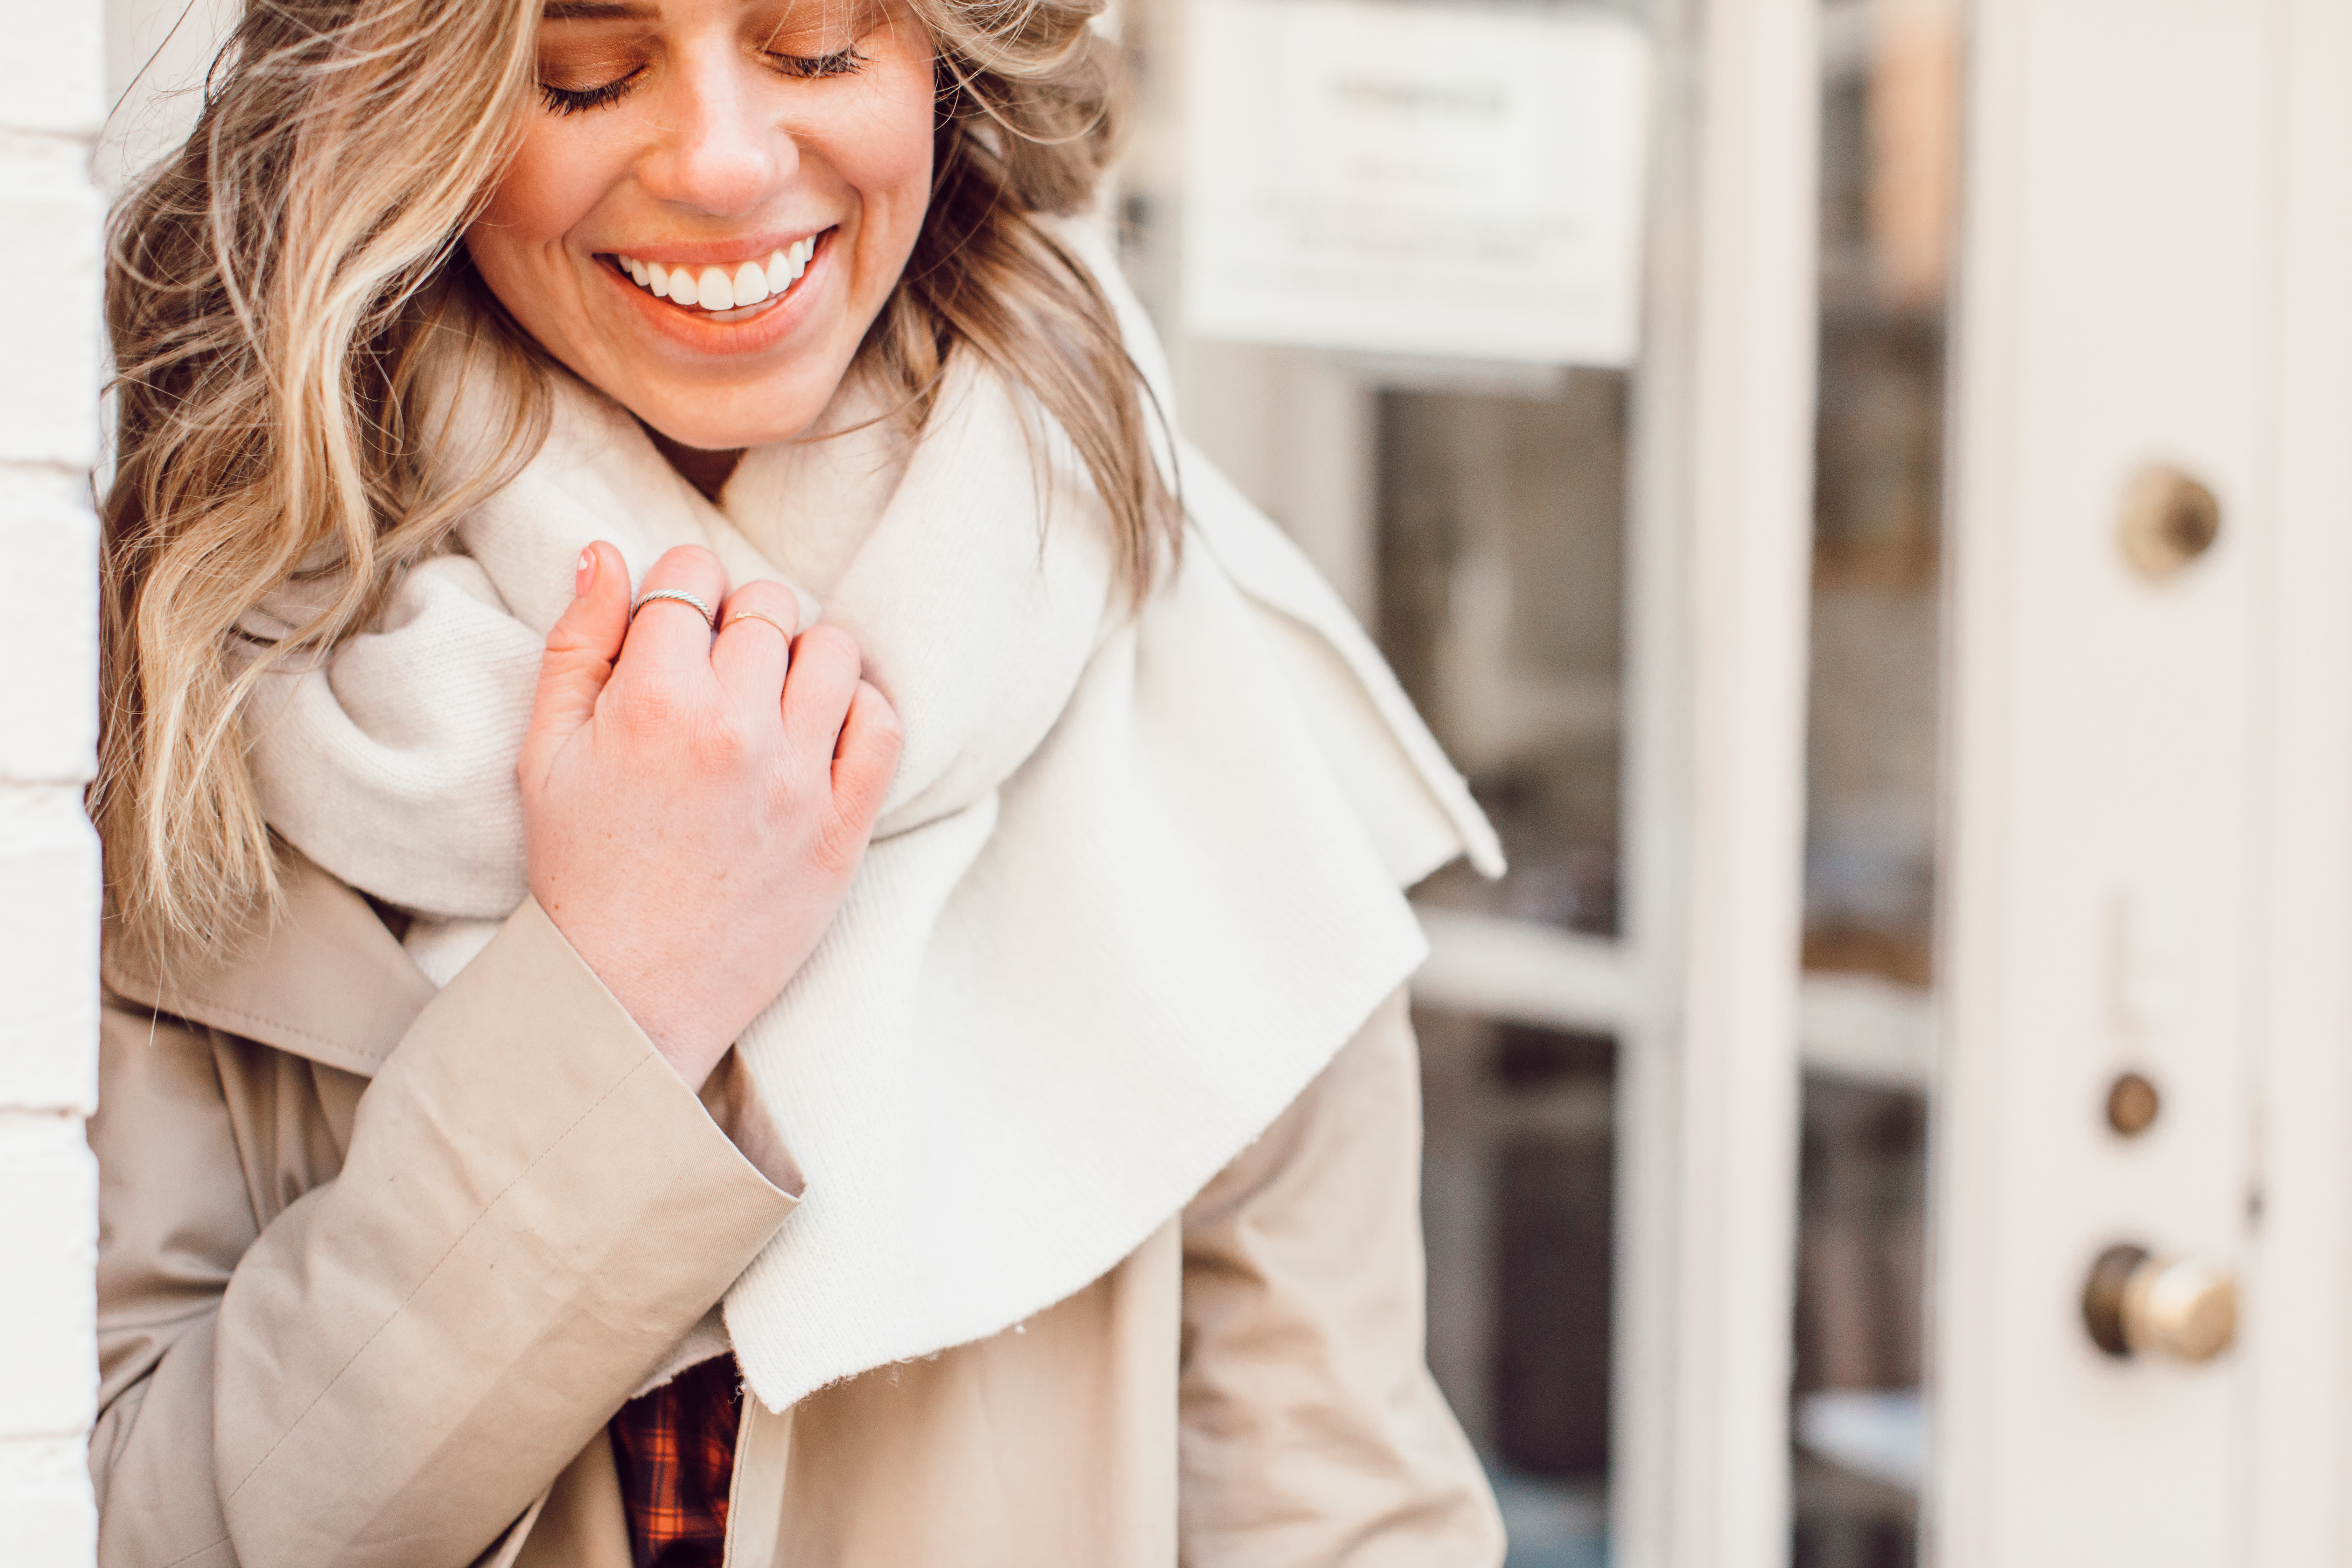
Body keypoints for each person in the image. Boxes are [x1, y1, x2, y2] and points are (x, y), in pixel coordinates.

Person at [88, 0, 1508, 1562]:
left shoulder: (1193, 675)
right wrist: (612, 1000)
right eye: (587, 73)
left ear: (950, 66)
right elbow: (126, 1518)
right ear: (409, 107)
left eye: (822, 44)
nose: (720, 162)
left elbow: (1339, 1518)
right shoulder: (213, 649)